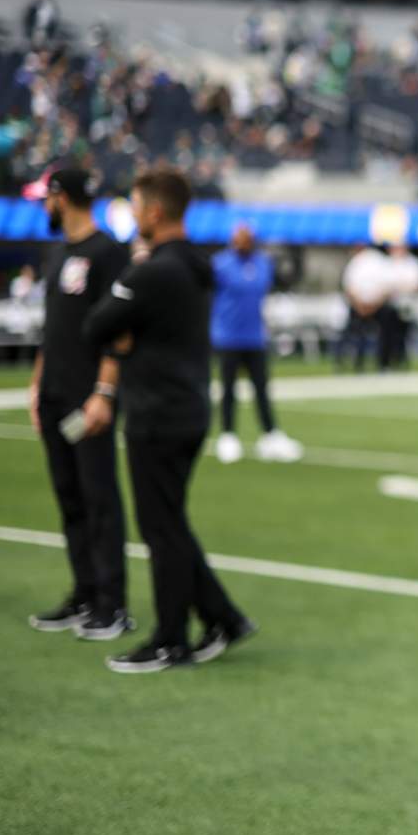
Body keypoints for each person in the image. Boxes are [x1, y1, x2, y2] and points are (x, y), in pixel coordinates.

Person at [83, 168, 257, 673]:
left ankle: (170, 639)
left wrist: (125, 329)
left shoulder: (153, 270)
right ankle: (223, 617)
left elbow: (94, 327)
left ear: (155, 212)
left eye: (136, 205)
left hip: (157, 413)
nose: (133, 215)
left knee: (161, 529)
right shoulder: (196, 264)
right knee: (170, 523)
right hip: (186, 407)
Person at [26, 167, 134, 641]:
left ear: (61, 197)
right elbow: (53, 330)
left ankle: (112, 604)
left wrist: (104, 392)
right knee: (69, 499)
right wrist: (36, 386)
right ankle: (84, 593)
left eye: (45, 198)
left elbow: (121, 331)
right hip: (54, 393)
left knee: (99, 500)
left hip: (87, 397)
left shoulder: (108, 253)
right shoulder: (58, 253)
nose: (41, 207)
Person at [211, 222, 302, 464]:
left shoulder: (263, 263)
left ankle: (270, 434)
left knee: (261, 388)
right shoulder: (220, 264)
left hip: (254, 336)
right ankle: (228, 435)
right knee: (228, 389)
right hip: (227, 336)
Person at [339, 244, 391, 370]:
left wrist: (374, 305)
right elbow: (349, 288)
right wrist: (359, 306)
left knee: (388, 327)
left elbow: (387, 286)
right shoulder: (356, 262)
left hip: (378, 305)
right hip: (359, 306)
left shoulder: (379, 261)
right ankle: (357, 363)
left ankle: (383, 364)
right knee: (355, 332)